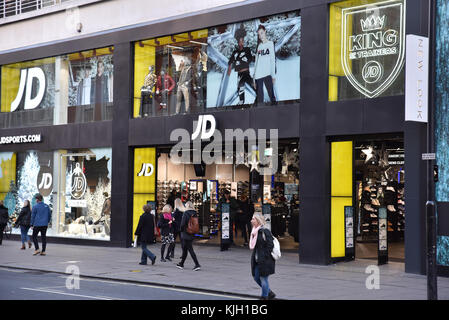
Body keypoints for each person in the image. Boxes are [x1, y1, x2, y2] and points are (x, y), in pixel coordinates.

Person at [250, 212, 276, 300]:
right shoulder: (254, 232)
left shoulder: (265, 231)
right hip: (257, 260)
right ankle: (269, 292)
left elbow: (270, 245)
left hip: (265, 260)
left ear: (258, 220)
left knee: (263, 279)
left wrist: (265, 256)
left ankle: (264, 297)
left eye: (253, 219)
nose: (251, 221)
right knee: (256, 277)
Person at [228, 26, 255, 105]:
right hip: (239, 75)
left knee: (255, 87)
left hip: (247, 73)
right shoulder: (235, 52)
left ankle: (257, 103)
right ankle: (241, 104)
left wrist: (244, 59)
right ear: (237, 41)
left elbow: (250, 59)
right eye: (240, 41)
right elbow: (230, 61)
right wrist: (229, 67)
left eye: (242, 40)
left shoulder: (247, 49)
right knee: (240, 91)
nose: (241, 42)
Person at [252, 24, 276, 105]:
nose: (260, 36)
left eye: (261, 33)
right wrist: (254, 79)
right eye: (259, 34)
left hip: (267, 74)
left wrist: (273, 76)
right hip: (258, 76)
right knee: (260, 100)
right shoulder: (259, 46)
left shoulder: (270, 44)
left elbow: (272, 60)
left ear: (265, 31)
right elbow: (256, 63)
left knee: (272, 97)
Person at [176, 201, 201, 271]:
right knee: (185, 249)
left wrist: (181, 230)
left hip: (185, 232)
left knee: (190, 249)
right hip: (192, 232)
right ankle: (181, 264)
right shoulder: (195, 213)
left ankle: (197, 264)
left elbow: (183, 224)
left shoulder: (186, 213)